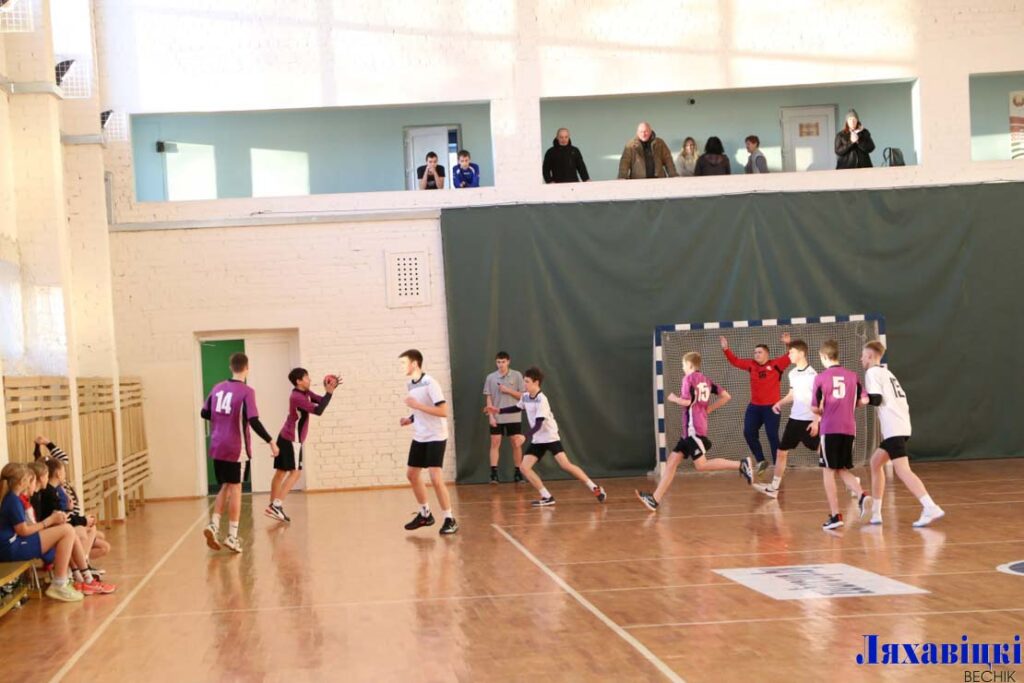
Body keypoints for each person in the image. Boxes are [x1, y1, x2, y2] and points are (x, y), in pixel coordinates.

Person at [636, 352, 752, 511]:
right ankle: (654, 499)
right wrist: (708, 409)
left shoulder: (688, 379)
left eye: (683, 365)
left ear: (690, 365)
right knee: (672, 462)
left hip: (693, 429)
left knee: (701, 465)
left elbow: (687, 401)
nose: (682, 368)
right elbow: (726, 396)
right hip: (690, 430)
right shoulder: (706, 380)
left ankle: (741, 464)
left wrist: (674, 398)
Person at [487, 366, 606, 506]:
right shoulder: (526, 396)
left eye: (527, 382)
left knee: (565, 465)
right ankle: (546, 496)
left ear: (536, 382)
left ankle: (594, 488)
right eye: (524, 381)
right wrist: (498, 410)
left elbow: (538, 424)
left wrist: (524, 436)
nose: (524, 384)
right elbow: (518, 407)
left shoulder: (542, 400)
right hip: (537, 439)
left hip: (550, 437)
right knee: (524, 468)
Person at [200, 352, 278, 553]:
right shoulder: (246, 391)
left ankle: (214, 524)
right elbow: (253, 420)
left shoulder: (217, 387)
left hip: (217, 445)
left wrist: (222, 421)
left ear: (230, 367)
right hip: (236, 448)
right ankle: (232, 536)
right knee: (236, 489)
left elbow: (204, 413)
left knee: (226, 485)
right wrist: (271, 441)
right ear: (247, 368)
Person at [861, 341, 945, 527]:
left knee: (902, 470)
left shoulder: (872, 372)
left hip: (894, 427)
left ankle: (930, 506)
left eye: (863, 355)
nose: (861, 359)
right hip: (901, 425)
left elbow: (876, 399)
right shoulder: (887, 373)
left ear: (870, 356)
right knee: (875, 463)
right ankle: (876, 513)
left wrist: (860, 398)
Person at [0, 463, 86, 602]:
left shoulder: (13, 498)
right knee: (66, 530)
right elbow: (23, 530)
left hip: (14, 544)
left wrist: (50, 524)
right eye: (28, 480)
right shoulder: (13, 500)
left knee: (66, 530)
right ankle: (60, 583)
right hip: (12, 548)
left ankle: (67, 578)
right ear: (22, 482)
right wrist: (49, 521)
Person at [266, 368, 340, 523]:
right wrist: (329, 393)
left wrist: (330, 390)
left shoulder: (305, 392)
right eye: (306, 377)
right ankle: (276, 506)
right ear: (298, 381)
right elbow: (318, 410)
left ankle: (272, 507)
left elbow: (320, 400)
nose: (309, 379)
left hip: (285, 436)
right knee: (296, 473)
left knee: (281, 473)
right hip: (292, 439)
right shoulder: (297, 397)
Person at [812, 340, 872, 530]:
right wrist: (849, 406)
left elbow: (814, 407)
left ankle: (835, 515)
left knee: (828, 471)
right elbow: (865, 400)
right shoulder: (853, 376)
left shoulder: (820, 378)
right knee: (841, 468)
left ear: (824, 357)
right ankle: (862, 495)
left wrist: (823, 411)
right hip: (849, 428)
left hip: (830, 428)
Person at [399, 349, 459, 535]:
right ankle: (425, 514)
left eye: (403, 363)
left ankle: (449, 519)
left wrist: (417, 406)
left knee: (435, 477)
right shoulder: (410, 385)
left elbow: (443, 411)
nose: (401, 367)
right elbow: (420, 410)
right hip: (420, 435)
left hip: (436, 435)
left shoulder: (431, 383)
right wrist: (410, 418)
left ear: (414, 364)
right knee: (412, 475)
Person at [33, 436, 110, 573]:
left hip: (71, 522)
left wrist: (46, 444)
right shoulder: (51, 491)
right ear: (57, 473)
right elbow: (60, 517)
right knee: (85, 534)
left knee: (96, 535)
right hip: (68, 524)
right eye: (64, 471)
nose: (65, 473)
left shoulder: (58, 487)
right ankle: (81, 568)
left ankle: (82, 566)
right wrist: (82, 520)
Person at [720, 332, 791, 477]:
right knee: (748, 433)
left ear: (767, 354)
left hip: (772, 408)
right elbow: (735, 361)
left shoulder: (776, 364)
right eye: (755, 352)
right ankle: (761, 461)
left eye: (759, 352)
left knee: (772, 436)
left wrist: (788, 343)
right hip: (755, 407)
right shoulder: (751, 365)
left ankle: (778, 468)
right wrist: (726, 349)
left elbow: (790, 355)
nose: (756, 354)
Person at [757, 340, 819, 498]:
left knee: (825, 453)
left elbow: (820, 400)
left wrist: (816, 421)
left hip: (809, 421)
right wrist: (779, 402)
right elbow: (792, 394)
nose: (789, 355)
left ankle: (851, 482)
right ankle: (774, 488)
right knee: (781, 452)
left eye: (791, 352)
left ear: (801, 354)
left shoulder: (813, 375)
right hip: (794, 420)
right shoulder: (792, 373)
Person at [482, 351, 526, 484]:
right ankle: (494, 474)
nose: (501, 364)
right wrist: (491, 416)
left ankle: (518, 473)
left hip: (514, 416)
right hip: (497, 417)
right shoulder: (490, 377)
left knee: (516, 443)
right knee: (495, 443)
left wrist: (508, 390)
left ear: (508, 362)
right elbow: (488, 397)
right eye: (498, 362)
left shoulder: (517, 375)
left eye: (503, 362)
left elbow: (523, 397)